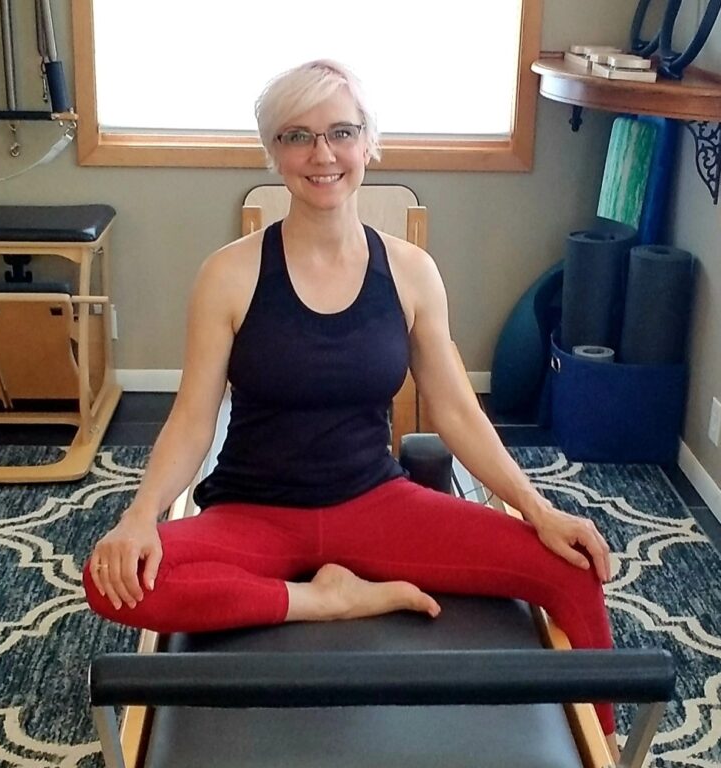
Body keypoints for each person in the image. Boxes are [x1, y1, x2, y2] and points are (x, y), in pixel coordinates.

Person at [84, 59, 618, 749]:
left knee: (570, 568)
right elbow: (192, 420)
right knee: (111, 579)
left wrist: (540, 511)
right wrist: (138, 518)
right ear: (273, 152)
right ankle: (322, 600)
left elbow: (457, 411)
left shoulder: (411, 272)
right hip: (255, 510)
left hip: (376, 502)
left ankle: (610, 751)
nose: (322, 154)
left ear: (370, 142)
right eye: (297, 136)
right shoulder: (230, 273)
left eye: (341, 131)